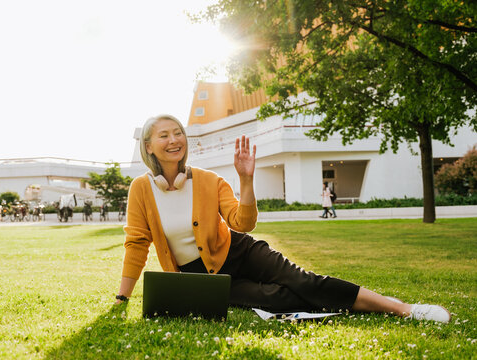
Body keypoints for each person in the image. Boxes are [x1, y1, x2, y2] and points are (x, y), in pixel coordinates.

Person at [115, 114, 450, 323]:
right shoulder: (142, 189)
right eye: (164, 135)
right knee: (277, 299)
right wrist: (122, 298)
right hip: (198, 277)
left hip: (239, 249)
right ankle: (339, 304)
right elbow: (136, 244)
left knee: (305, 282)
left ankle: (405, 309)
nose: (174, 140)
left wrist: (246, 180)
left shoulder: (206, 179)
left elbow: (242, 223)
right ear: (148, 146)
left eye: (178, 133)